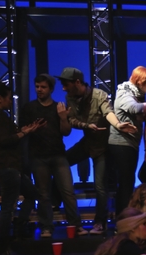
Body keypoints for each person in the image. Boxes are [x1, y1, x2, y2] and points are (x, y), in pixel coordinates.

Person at [56, 67, 135, 235]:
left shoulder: (99, 95)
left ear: (77, 82)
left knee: (100, 186)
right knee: (60, 162)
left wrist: (118, 125)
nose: (63, 88)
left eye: (66, 84)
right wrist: (85, 125)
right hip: (87, 142)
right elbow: (72, 120)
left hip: (102, 146)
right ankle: (54, 201)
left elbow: (108, 112)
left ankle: (100, 222)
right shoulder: (69, 98)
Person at [0, 82, 43, 255]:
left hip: (9, 166)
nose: (10, 100)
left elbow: (6, 137)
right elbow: (5, 141)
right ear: (0, 99)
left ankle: (19, 228)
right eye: (8, 97)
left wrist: (24, 130)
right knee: (8, 207)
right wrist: (23, 133)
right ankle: (4, 245)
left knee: (31, 194)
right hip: (7, 167)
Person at [21, 74, 87, 238]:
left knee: (68, 192)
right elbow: (22, 130)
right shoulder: (29, 108)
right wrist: (31, 130)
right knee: (43, 194)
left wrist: (63, 118)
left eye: (43, 87)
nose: (39, 90)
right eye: (37, 86)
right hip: (38, 157)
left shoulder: (58, 107)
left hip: (58, 155)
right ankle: (46, 227)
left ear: (50, 89)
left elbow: (66, 132)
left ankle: (76, 225)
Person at [109, 66, 146, 216]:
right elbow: (134, 108)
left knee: (128, 182)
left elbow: (129, 114)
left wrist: (143, 117)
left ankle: (127, 217)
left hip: (130, 144)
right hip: (121, 144)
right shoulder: (124, 92)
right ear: (141, 82)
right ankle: (123, 219)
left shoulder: (136, 94)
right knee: (125, 184)